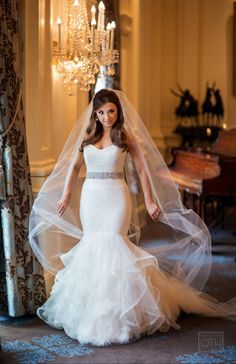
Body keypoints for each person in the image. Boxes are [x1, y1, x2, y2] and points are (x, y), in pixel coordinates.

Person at [29, 89, 236, 346]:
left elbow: (142, 170)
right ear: (95, 113)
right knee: (93, 246)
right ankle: (92, 313)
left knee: (115, 244)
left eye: (111, 111)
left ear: (118, 110)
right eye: (102, 112)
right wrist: (66, 195)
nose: (107, 117)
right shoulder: (87, 135)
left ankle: (123, 317)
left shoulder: (124, 134)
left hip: (116, 196)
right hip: (92, 198)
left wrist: (149, 200)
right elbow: (73, 167)